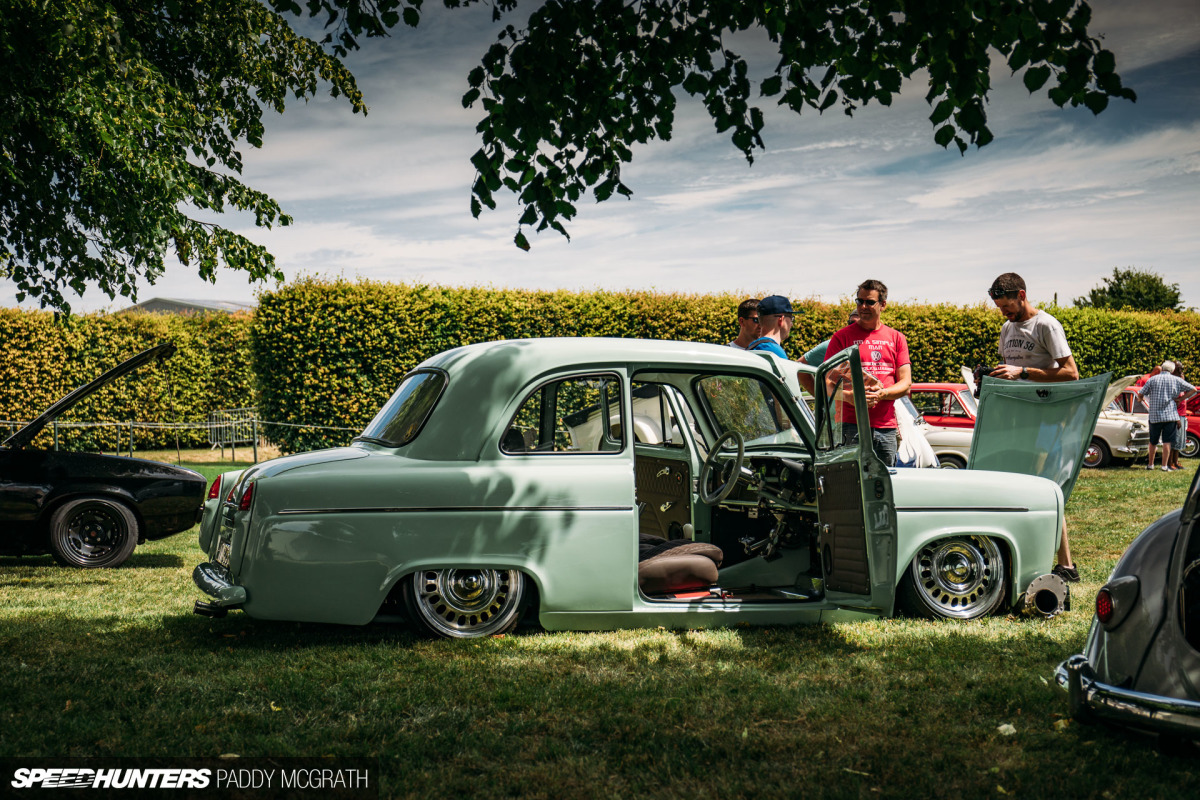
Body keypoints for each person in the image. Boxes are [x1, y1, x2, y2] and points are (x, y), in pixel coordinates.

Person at [987, 272, 1079, 582]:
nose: (1005, 313)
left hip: (1045, 417)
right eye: (1000, 308)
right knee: (1016, 486)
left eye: (1007, 306)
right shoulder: (1006, 328)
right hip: (1015, 417)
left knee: (1043, 486)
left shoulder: (1046, 325)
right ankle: (1048, 562)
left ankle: (1065, 564)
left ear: (1022, 295)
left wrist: (1024, 372)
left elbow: (1071, 373)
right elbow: (1009, 370)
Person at [824, 279, 911, 467]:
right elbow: (825, 382)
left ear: (883, 305)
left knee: (886, 485)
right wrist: (849, 397)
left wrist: (882, 394)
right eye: (859, 301)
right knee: (852, 484)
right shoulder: (842, 337)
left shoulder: (896, 338)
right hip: (851, 426)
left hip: (886, 427)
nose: (863, 306)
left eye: (870, 302)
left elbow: (906, 384)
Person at [1138, 359, 1197, 471]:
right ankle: (1164, 466)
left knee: (1153, 442)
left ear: (1162, 368)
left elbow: (1141, 393)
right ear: (1172, 370)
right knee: (1167, 442)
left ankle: (1150, 464)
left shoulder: (1152, 379)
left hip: (1154, 415)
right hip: (1170, 415)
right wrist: (1180, 399)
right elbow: (1193, 389)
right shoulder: (1176, 380)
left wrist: (1140, 399)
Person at [1170, 361, 1188, 470]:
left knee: (1179, 441)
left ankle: (1176, 461)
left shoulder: (1181, 384)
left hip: (1182, 414)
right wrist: (1176, 418)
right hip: (1176, 415)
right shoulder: (1174, 382)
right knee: (1174, 441)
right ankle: (1171, 462)